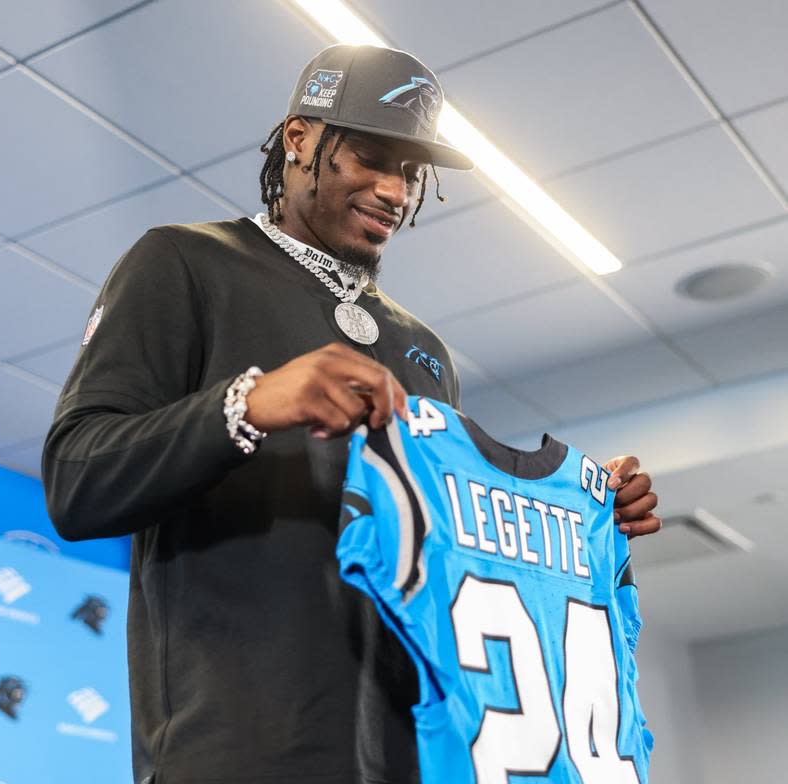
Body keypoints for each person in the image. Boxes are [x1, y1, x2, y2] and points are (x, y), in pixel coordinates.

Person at [43, 44, 661, 784]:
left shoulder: (422, 349)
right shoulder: (183, 263)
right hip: (241, 748)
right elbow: (76, 479)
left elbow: (440, 554)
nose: (395, 191)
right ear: (299, 139)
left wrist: (580, 511)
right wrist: (248, 404)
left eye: (410, 173)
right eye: (371, 158)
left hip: (411, 754)